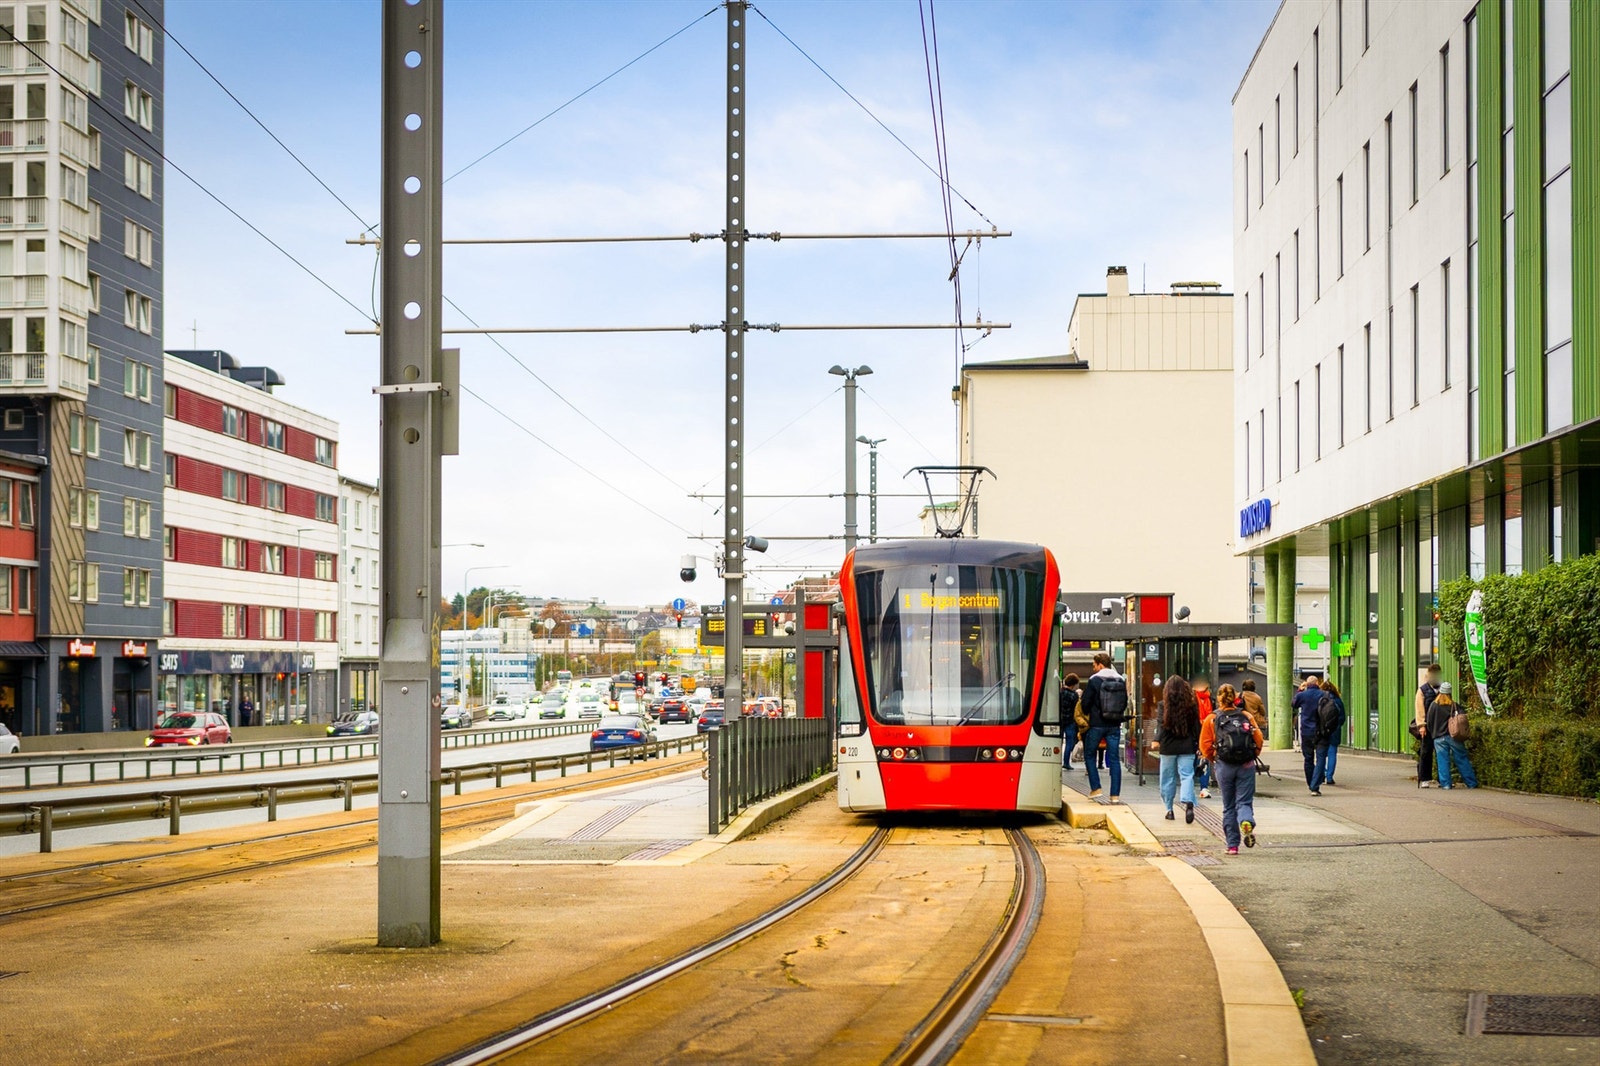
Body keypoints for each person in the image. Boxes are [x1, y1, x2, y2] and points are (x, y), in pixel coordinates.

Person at [1201, 688, 1264, 854]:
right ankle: (1246, 820)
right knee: (1244, 802)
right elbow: (1258, 739)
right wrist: (1253, 754)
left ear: (1219, 698)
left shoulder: (1212, 718)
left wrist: (1214, 758)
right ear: (1235, 698)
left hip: (1224, 765)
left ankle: (1232, 845)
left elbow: (1205, 745)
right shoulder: (1246, 716)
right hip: (1246, 765)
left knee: (1228, 806)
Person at [1078, 651, 1129, 803]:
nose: (1093, 668)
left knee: (1089, 755)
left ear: (1100, 665)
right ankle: (1115, 795)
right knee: (1114, 759)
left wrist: (1089, 712)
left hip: (1097, 724)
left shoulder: (1094, 680)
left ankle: (1096, 788)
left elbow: (1085, 704)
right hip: (1114, 724)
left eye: (1094, 665)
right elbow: (1124, 702)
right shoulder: (1120, 680)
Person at [1150, 676, 1200, 822]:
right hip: (1187, 746)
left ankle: (1169, 809)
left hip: (1168, 747)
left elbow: (1161, 725)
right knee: (1187, 775)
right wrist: (1199, 744)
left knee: (1167, 778)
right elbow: (1196, 726)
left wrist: (1156, 740)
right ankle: (1188, 800)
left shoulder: (1163, 705)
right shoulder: (1191, 705)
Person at [1428, 683, 1479, 789]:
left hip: (1438, 738)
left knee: (1442, 761)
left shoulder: (1433, 705)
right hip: (1454, 736)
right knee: (1462, 758)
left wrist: (1434, 733)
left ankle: (1446, 784)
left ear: (1440, 692)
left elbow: (1429, 722)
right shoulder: (1454, 706)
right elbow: (1462, 719)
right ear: (1450, 693)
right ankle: (1471, 783)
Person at [1292, 676, 1326, 794]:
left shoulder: (1302, 695)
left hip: (1306, 731)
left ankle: (1311, 783)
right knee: (1321, 758)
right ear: (1317, 683)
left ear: (1306, 684)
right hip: (1321, 731)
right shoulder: (1324, 694)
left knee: (1308, 758)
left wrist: (1300, 690)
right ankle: (1315, 785)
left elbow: (1294, 704)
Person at [1415, 663, 1442, 788]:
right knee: (1426, 752)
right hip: (1428, 726)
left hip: (1441, 725)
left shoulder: (1443, 688)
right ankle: (1425, 778)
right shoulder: (1422, 690)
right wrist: (1421, 725)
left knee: (1442, 753)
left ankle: (1442, 779)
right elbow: (1419, 709)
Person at [1319, 680, 1347, 786]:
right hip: (1334, 730)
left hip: (1322, 730)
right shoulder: (1338, 700)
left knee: (1321, 754)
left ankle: (1322, 774)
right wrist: (1337, 725)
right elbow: (1342, 717)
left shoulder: (1320, 699)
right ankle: (1329, 777)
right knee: (1332, 754)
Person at [1193, 678, 1215, 798]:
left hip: (1206, 733)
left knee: (1204, 760)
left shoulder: (1211, 699)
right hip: (1194, 734)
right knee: (1192, 761)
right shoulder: (1192, 699)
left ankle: (1204, 787)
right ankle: (1190, 787)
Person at [1060, 673, 1081, 770]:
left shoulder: (1060, 692)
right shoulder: (1074, 695)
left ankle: (1057, 761)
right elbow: (1076, 709)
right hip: (1070, 721)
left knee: (1058, 742)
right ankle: (1066, 762)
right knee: (1069, 742)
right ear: (1074, 684)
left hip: (1059, 721)